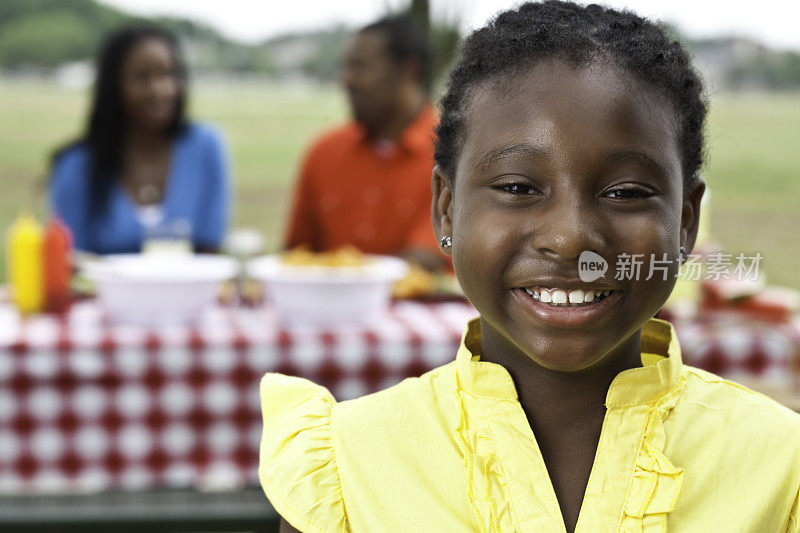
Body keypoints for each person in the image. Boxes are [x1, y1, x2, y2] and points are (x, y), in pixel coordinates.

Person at [260, 2, 800, 532]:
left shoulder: (781, 470)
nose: (569, 239)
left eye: (627, 192)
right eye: (518, 187)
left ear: (685, 222)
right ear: (447, 206)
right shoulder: (349, 470)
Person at [285, 16, 447, 271]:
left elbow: (429, 260)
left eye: (360, 67)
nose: (346, 80)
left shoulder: (454, 154)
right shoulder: (322, 152)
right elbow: (294, 257)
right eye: (346, 67)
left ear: (409, 71)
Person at [50, 26, 230, 254]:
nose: (159, 90)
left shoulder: (206, 146)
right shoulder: (77, 163)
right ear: (113, 85)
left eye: (168, 74)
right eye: (142, 77)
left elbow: (210, 250)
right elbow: (71, 260)